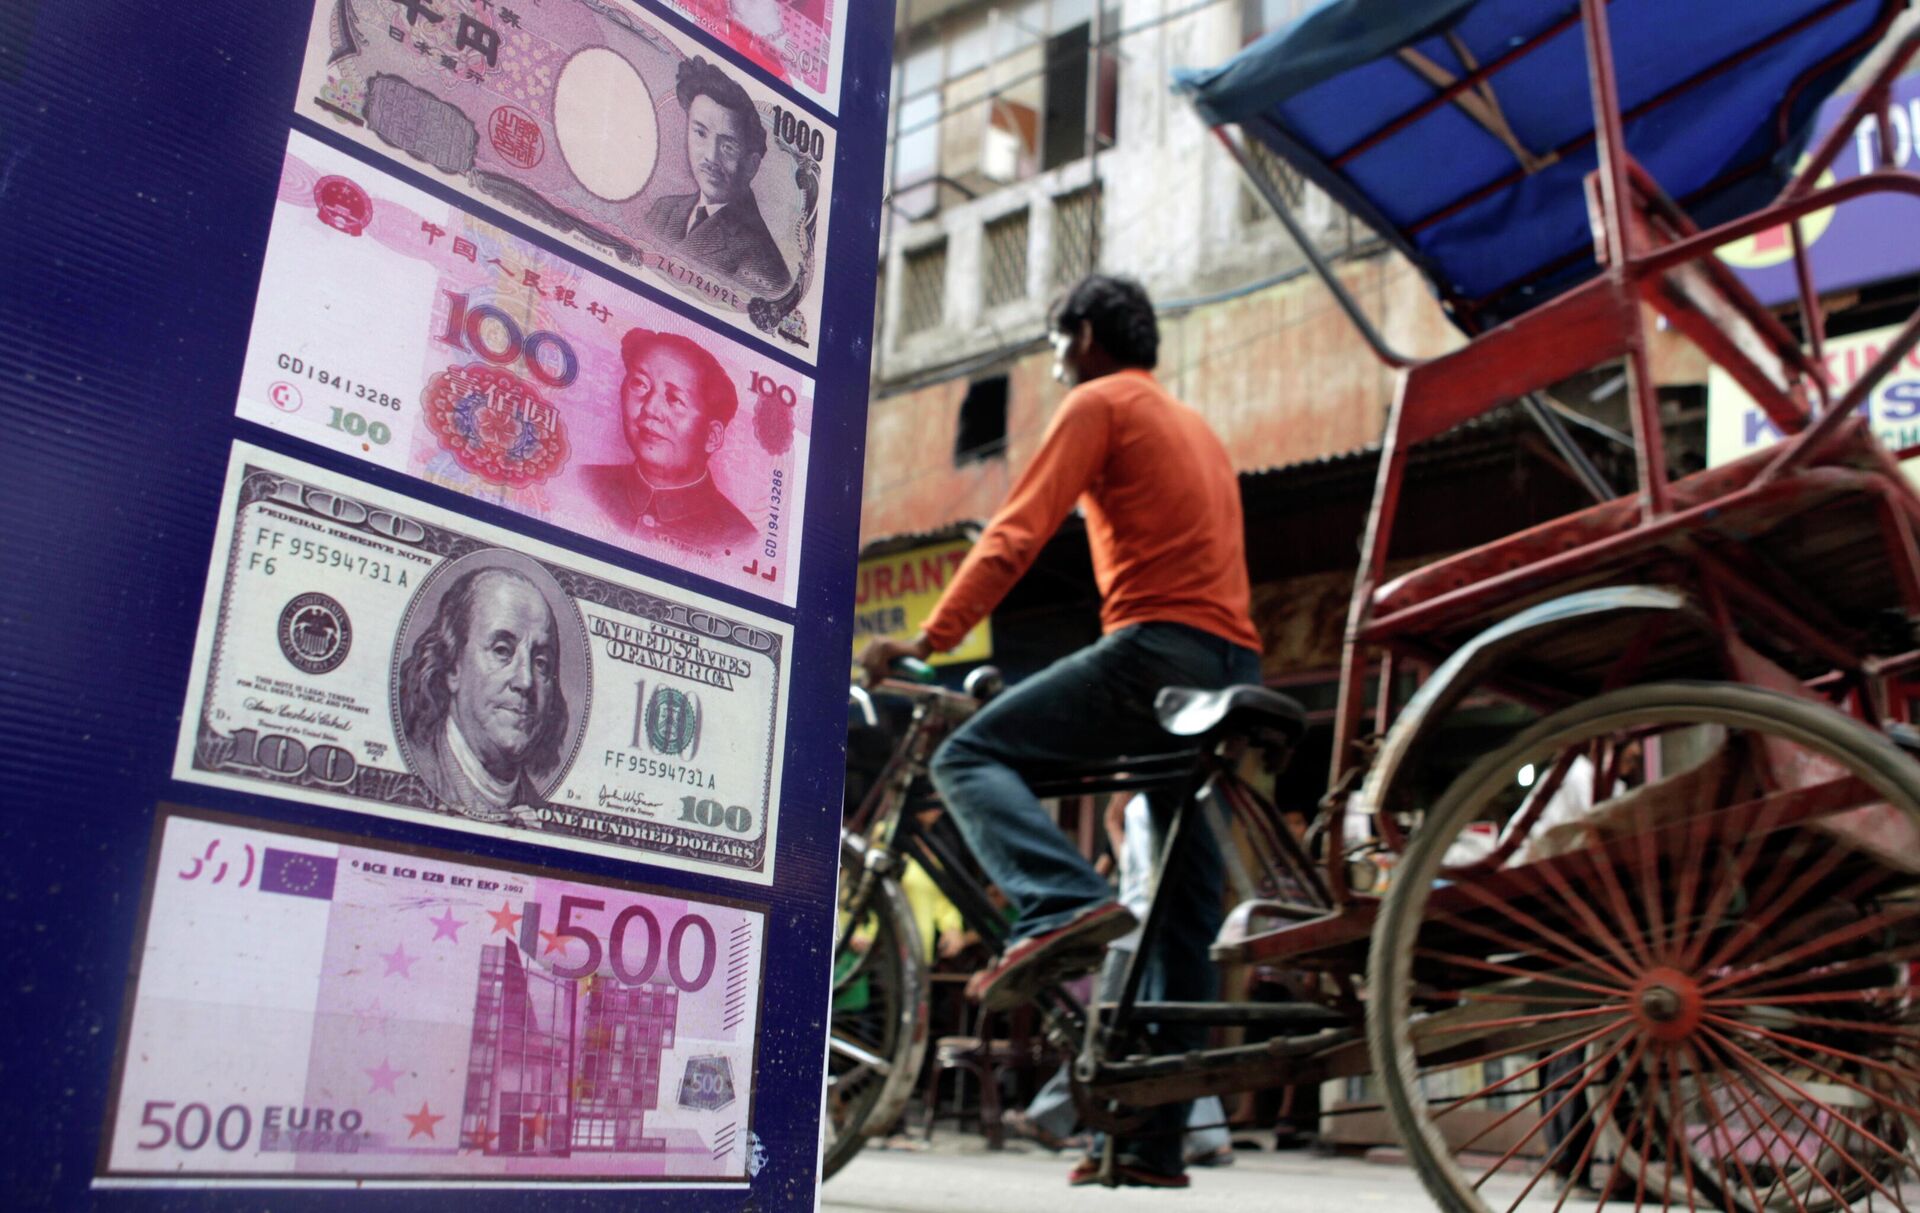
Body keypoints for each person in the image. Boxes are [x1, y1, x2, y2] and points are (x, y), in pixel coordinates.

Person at [860, 274, 1264, 1189]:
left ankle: (1056, 900)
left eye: (1053, 342)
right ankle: (1152, 1142)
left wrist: (929, 637)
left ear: (1084, 332)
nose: (1052, 364)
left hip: (1158, 655)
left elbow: (1016, 531)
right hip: (1233, 666)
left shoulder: (1099, 400)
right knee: (1182, 911)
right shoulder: (1194, 424)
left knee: (970, 754)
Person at [398, 564, 572, 824]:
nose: (525, 681)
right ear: (453, 664)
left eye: (541, 663)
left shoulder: (547, 823)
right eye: (502, 650)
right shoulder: (409, 789)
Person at [577, 328, 758, 554]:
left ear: (711, 437)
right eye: (640, 384)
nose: (651, 408)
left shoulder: (739, 539)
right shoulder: (584, 482)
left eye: (674, 399)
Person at [647, 57, 793, 295]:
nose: (710, 157)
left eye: (728, 146)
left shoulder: (766, 268)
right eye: (700, 133)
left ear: (751, 165)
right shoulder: (661, 211)